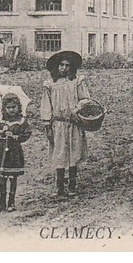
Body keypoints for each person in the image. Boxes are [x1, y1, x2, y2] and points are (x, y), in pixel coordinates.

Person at [40, 50, 92, 198]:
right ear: (56, 67)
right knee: (60, 153)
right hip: (58, 124)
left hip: (74, 122)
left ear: (72, 67)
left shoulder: (76, 82)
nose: (63, 68)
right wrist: (47, 125)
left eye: (67, 65)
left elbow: (85, 99)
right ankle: (59, 187)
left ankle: (72, 185)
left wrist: (77, 109)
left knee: (74, 153)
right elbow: (46, 105)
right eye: (61, 65)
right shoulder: (50, 84)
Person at [0, 93, 32, 213]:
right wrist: (0, 132)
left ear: (18, 107)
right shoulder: (0, 120)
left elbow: (26, 134)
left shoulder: (22, 121)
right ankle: (1, 202)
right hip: (1, 151)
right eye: (8, 107)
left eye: (14, 107)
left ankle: (11, 201)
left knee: (13, 177)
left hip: (14, 152)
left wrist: (15, 136)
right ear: (4, 108)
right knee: (2, 178)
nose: (11, 110)